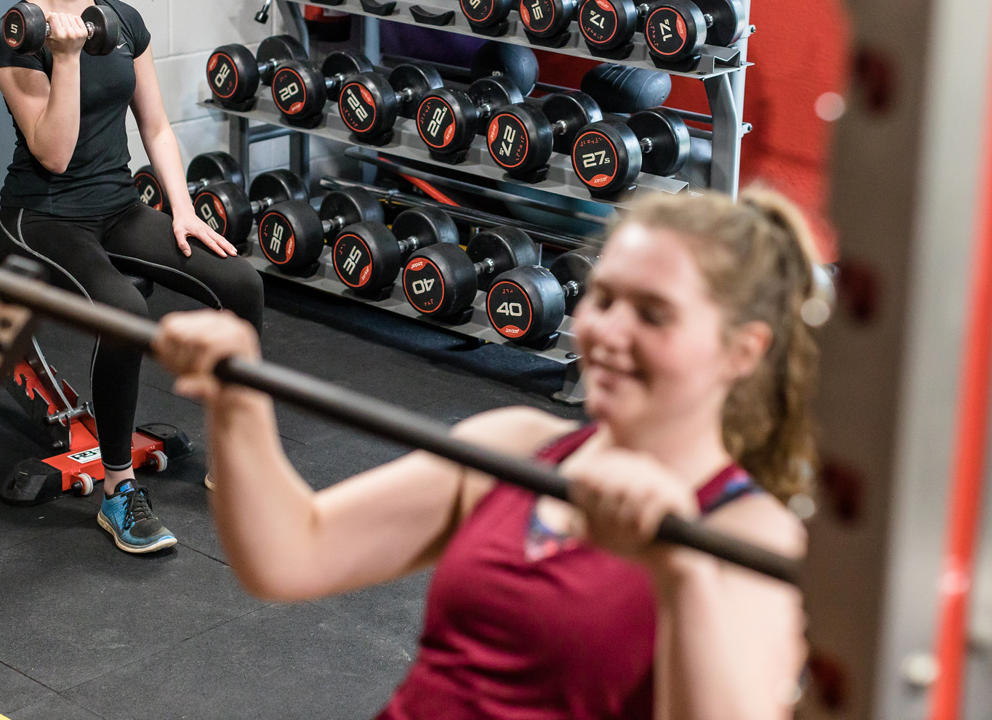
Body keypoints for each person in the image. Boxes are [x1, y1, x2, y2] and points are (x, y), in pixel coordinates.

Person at [152, 184, 824, 719]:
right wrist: (236, 400)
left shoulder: (749, 538)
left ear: (743, 351)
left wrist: (681, 574)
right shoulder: (518, 447)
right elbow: (292, 553)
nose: (610, 332)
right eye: (605, 299)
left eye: (653, 314)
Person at [0, 0, 264, 555]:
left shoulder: (121, 21)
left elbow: (157, 127)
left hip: (119, 205)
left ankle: (236, 453)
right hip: (43, 216)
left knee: (241, 284)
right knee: (124, 311)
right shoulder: (18, 37)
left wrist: (182, 209)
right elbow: (53, 155)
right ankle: (118, 490)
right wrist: (63, 59)